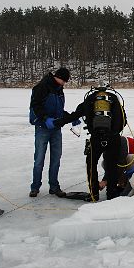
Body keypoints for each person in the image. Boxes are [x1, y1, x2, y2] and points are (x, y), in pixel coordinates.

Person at [52, 85, 127, 201]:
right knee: (112, 166)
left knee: (91, 165)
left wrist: (58, 122)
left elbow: (76, 115)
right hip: (113, 138)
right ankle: (111, 195)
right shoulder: (114, 99)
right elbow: (123, 120)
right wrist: (114, 131)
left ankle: (94, 194)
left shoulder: (90, 99)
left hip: (96, 138)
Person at [29, 67, 78, 198]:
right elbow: (35, 106)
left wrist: (71, 118)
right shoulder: (41, 87)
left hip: (56, 129)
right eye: (64, 80)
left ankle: (54, 187)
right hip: (42, 128)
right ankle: (35, 187)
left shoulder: (59, 90)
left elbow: (59, 110)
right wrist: (45, 119)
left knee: (56, 158)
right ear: (58, 77)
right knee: (39, 159)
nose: (64, 83)